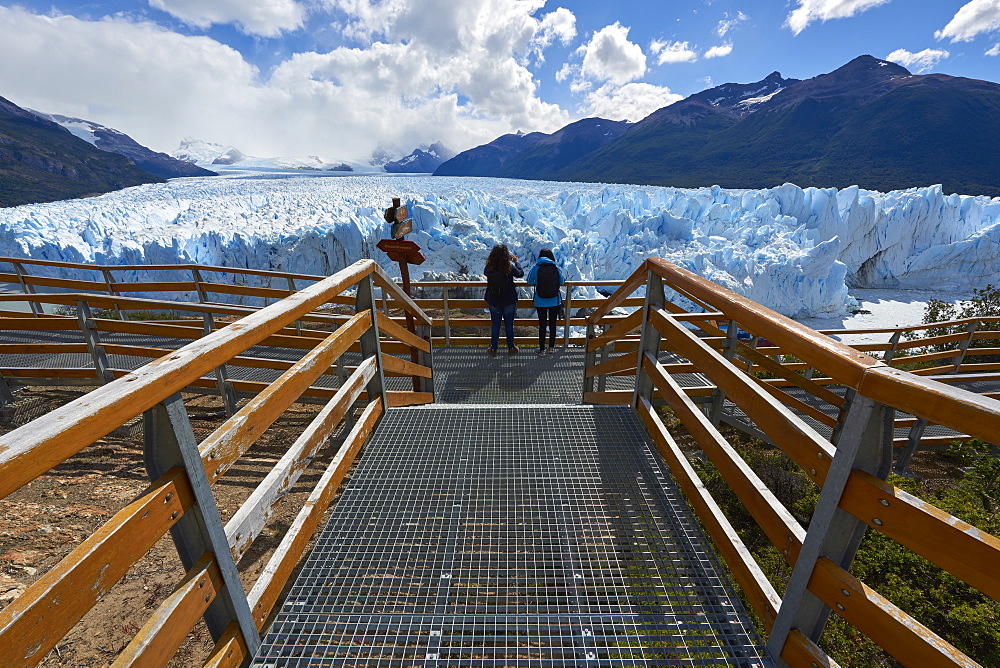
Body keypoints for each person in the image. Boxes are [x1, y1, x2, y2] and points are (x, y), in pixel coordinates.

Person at [483, 243, 523, 354]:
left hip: (493, 300)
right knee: (509, 324)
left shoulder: (489, 267)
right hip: (509, 300)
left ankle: (493, 348)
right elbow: (520, 274)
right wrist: (516, 262)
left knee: (495, 325)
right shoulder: (508, 267)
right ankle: (511, 347)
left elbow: (485, 273)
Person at [526, 248, 564, 354]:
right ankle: (551, 348)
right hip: (554, 301)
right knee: (553, 324)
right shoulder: (555, 267)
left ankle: (542, 349)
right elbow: (562, 281)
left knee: (542, 325)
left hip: (540, 300)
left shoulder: (536, 267)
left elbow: (529, 281)